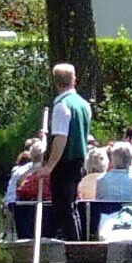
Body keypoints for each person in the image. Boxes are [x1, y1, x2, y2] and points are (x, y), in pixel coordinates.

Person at [34, 63, 92, 238]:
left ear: (56, 82)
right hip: (79, 161)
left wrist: (49, 167)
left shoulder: (62, 106)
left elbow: (61, 138)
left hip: (65, 163)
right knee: (70, 206)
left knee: (64, 208)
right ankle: (75, 244)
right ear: (74, 80)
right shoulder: (83, 104)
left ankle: (73, 248)